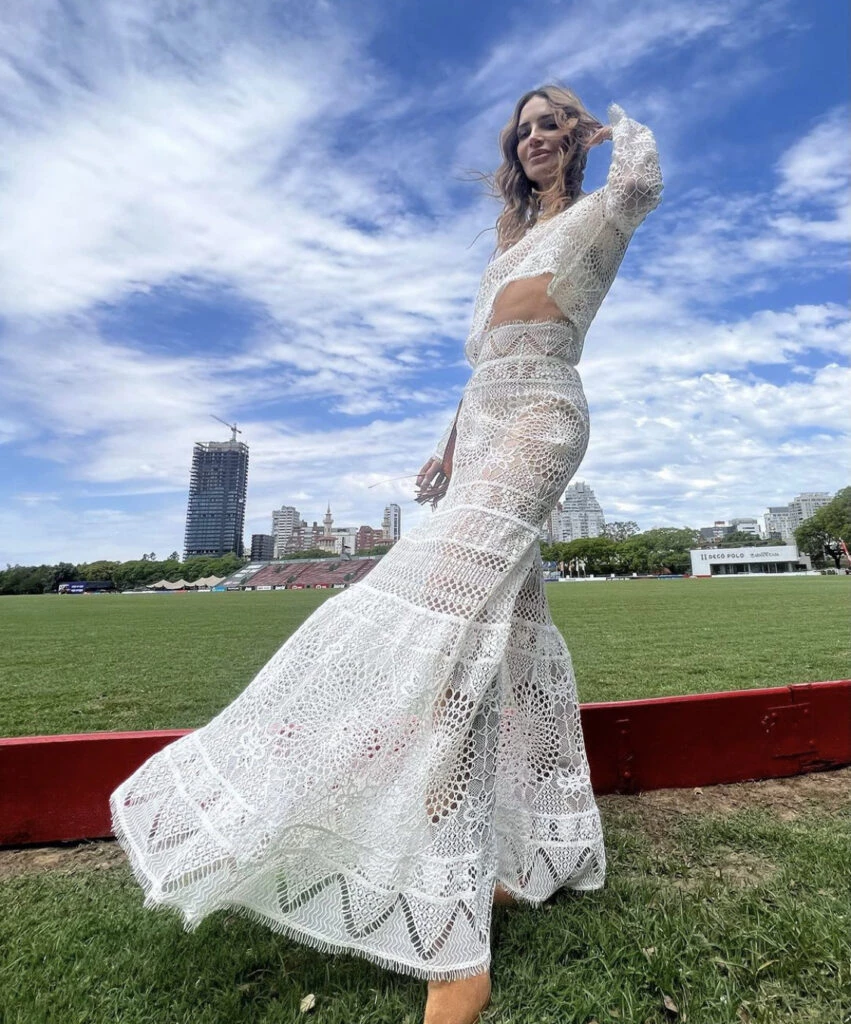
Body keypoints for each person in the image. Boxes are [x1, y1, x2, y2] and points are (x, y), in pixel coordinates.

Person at [111, 85, 662, 1024]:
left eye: (549, 123)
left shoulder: (602, 209)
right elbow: (482, 358)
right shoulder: (504, 245)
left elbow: (645, 181)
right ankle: (531, 855)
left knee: (435, 624)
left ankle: (455, 943)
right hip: (485, 424)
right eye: (522, 127)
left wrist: (618, 128)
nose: (533, 138)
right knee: (511, 638)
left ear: (573, 137)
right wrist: (451, 447)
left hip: (543, 423)